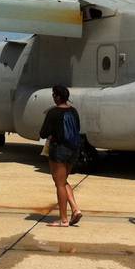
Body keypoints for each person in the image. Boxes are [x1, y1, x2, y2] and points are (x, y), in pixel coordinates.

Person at [39, 84, 82, 227]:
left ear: (57, 96)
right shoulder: (74, 111)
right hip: (73, 149)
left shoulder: (53, 113)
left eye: (53, 95)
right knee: (63, 181)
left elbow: (43, 133)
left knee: (59, 184)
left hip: (59, 150)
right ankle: (75, 209)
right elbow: (78, 128)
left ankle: (63, 219)